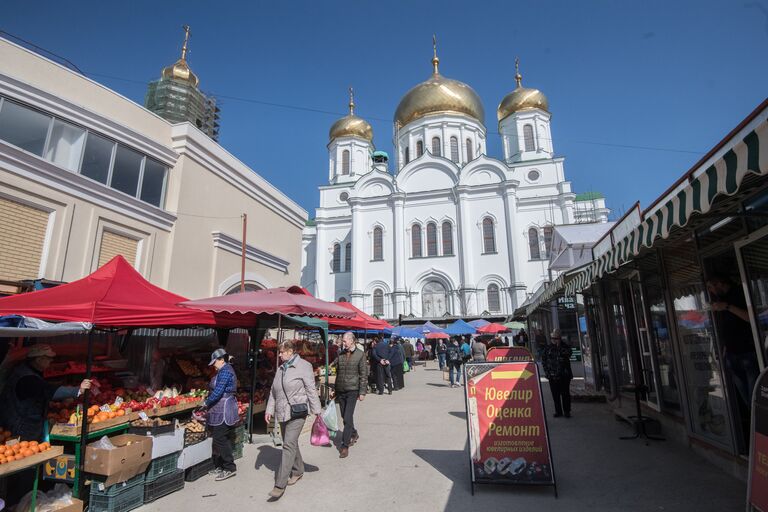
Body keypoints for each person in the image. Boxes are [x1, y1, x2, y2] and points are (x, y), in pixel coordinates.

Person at [0, 344, 92, 441]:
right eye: (48, 358)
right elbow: (48, 390)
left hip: (22, 420)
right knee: (27, 449)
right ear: (39, 359)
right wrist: (78, 390)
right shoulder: (27, 378)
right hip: (22, 424)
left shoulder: (27, 370)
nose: (51, 361)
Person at [265, 341, 322, 499]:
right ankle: (298, 470)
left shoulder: (304, 366)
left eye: (282, 352)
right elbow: (273, 391)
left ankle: (280, 484)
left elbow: (311, 389)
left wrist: (317, 411)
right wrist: (269, 410)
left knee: (288, 444)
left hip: (298, 412)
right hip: (282, 412)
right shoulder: (280, 368)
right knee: (291, 442)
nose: (280, 355)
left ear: (290, 352)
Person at [707, 273, 760, 408]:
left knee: (755, 397)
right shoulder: (720, 300)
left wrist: (727, 307)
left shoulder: (739, 293)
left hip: (748, 351)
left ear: (719, 283)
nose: (710, 291)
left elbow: (750, 318)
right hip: (731, 354)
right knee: (747, 400)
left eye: (710, 287)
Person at [204, 348, 239, 481]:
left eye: (215, 362)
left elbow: (218, 391)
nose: (213, 365)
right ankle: (221, 465)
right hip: (220, 407)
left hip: (224, 408)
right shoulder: (223, 370)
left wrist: (206, 402)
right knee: (221, 437)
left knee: (220, 437)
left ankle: (229, 467)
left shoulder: (226, 371)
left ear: (221, 360)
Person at [331, 332, 368, 459]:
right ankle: (354, 433)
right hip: (341, 389)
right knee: (343, 415)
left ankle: (344, 445)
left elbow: (363, 374)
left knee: (347, 417)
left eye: (345, 341)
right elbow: (336, 368)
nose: (343, 343)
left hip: (353, 390)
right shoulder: (340, 354)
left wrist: (362, 392)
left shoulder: (360, 355)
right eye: (343, 341)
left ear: (352, 341)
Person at [542, 329, 573, 418]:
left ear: (560, 338)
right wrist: (547, 373)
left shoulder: (565, 347)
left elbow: (569, 354)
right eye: (553, 338)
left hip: (564, 375)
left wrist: (559, 346)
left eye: (556, 338)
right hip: (552, 375)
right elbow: (544, 361)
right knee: (555, 395)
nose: (554, 340)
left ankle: (567, 411)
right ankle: (558, 411)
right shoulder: (548, 348)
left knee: (565, 394)